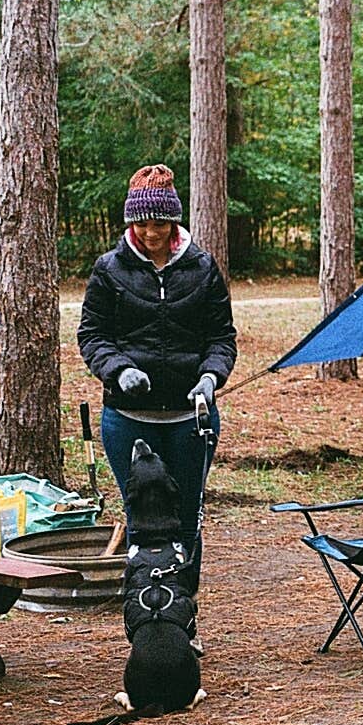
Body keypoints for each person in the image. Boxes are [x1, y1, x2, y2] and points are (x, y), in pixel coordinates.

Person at [78, 164, 236, 603]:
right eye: (143, 223)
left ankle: (182, 614)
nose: (151, 232)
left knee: (187, 520)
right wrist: (117, 369)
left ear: (174, 221)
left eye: (160, 222)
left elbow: (222, 337)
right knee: (142, 519)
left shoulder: (202, 267)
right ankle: (145, 612)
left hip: (191, 418)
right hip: (127, 419)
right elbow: (92, 335)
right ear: (132, 221)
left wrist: (210, 376)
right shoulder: (109, 269)